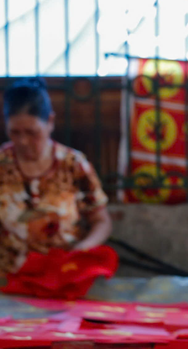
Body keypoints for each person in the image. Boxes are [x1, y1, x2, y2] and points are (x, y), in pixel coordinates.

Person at [0, 78, 112, 281]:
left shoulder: (73, 164)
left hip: (63, 274)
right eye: (14, 132)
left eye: (32, 133)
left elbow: (101, 221)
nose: (23, 141)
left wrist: (83, 248)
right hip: (8, 277)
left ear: (50, 122)